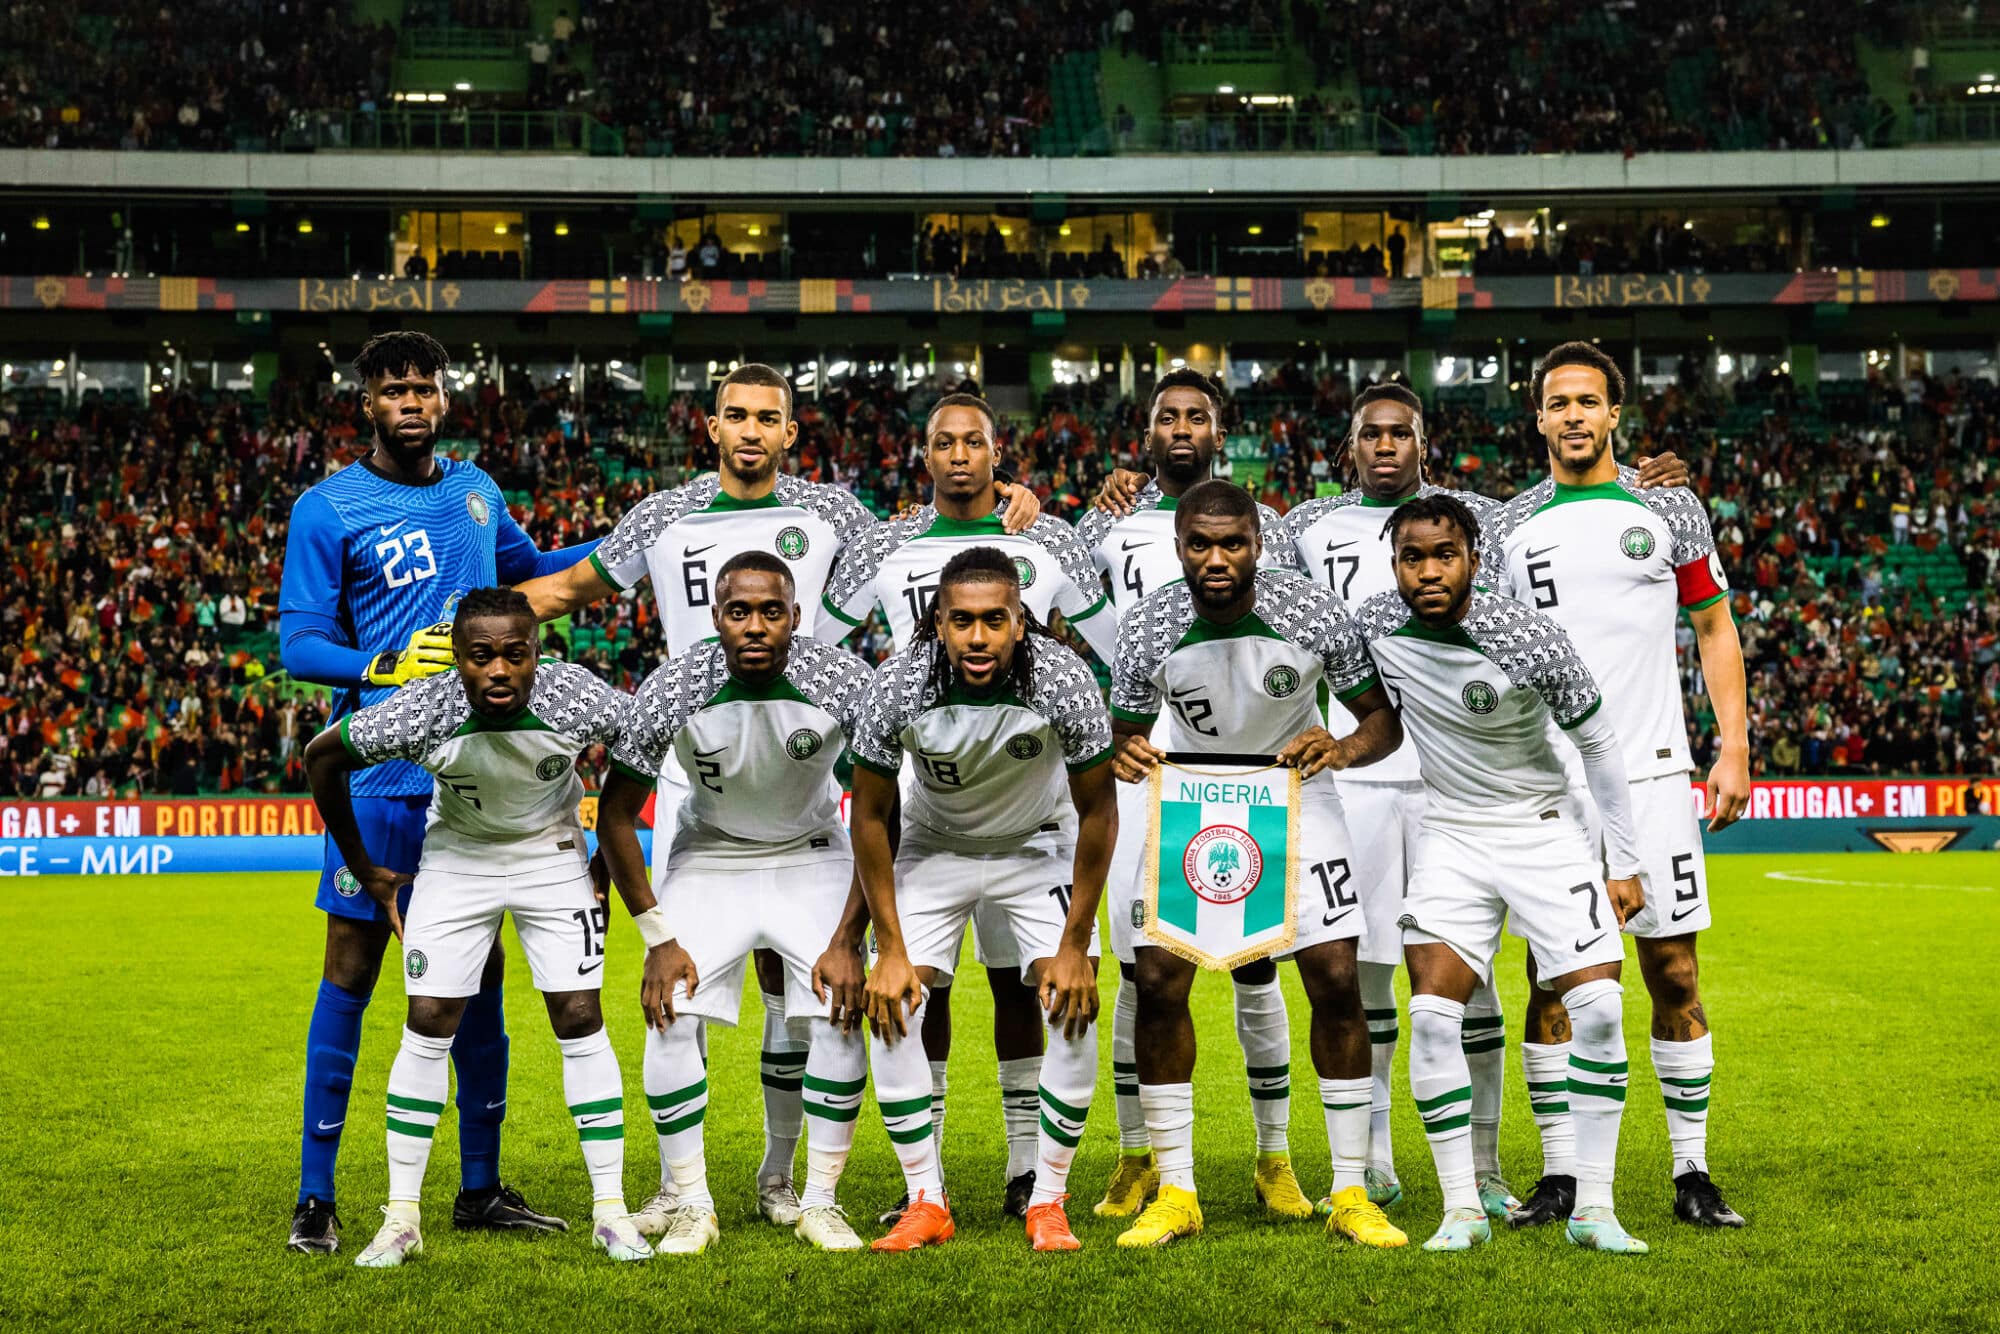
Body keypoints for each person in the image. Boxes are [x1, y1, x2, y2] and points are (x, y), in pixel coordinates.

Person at [516, 364, 1041, 1227]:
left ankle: (781, 1176)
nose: (751, 430)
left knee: (799, 989)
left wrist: (1005, 500)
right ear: (710, 427)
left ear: (791, 432)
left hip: (802, 765)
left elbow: (934, 548)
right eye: (736, 416)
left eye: (768, 417)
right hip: (700, 774)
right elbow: (568, 590)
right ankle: (688, 1187)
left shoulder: (834, 512)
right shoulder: (661, 515)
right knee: (690, 988)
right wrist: (470, 617)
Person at [1280, 384, 1686, 1216]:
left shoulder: (1486, 516)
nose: (1386, 445)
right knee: (1366, 979)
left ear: (1425, 443)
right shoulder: (1303, 525)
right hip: (1360, 781)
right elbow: (1236, 558)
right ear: (1347, 445)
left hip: (1453, 791)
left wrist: (1643, 487)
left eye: (1401, 432)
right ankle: (1374, 1165)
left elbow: (1568, 509)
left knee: (1473, 987)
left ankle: (1489, 1169)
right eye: (1370, 433)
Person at [279, 331, 598, 1255]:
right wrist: (383, 665)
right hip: (381, 781)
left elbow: (531, 580)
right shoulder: (328, 507)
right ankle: (316, 1196)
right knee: (350, 971)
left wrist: (636, 542)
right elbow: (299, 647)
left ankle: (480, 1186)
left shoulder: (477, 489)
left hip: (472, 779)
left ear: (446, 400)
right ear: (366, 403)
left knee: (483, 977)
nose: (411, 401)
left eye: (424, 387)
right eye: (393, 389)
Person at [821, 392, 1116, 1224]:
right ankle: (927, 1195)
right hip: (935, 841)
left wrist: (1075, 943)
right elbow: (871, 815)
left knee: (1059, 996)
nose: (979, 638)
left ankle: (1043, 1192)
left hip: (1035, 843)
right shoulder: (897, 682)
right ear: (935, 625)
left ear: (1022, 624)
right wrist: (877, 943)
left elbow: (1098, 812)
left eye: (996, 622)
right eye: (962, 624)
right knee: (904, 996)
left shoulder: (1064, 676)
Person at [1480, 341, 1750, 1230]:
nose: (1572, 416)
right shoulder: (1509, 526)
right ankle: (1559, 1176)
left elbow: (1714, 627)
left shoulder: (1668, 507)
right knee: (1550, 979)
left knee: (1673, 971)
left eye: (1587, 401)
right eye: (1556, 403)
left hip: (1654, 775)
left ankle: (1691, 1171)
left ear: (1614, 414)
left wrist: (1733, 747)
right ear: (1538, 418)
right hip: (1551, 787)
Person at [301, 588, 648, 1268]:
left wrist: (606, 855)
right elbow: (322, 756)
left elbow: (647, 736)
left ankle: (612, 1211)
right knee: (428, 1019)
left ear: (537, 655)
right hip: (458, 857)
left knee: (580, 1016)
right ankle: (401, 1218)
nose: (499, 671)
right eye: (481, 656)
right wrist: (368, 869)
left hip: (550, 852)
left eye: (515, 655)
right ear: (456, 660)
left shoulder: (575, 696)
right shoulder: (424, 707)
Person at [1106, 480, 1406, 1250]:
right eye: (1199, 545)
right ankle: (1177, 1190)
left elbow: (1383, 721)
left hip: (1298, 794)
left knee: (1337, 977)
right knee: (1160, 980)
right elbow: (1120, 732)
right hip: (1194, 802)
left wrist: (1340, 747)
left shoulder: (1311, 611)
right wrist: (1123, 749)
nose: (1216, 558)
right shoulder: (1148, 625)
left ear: (1257, 543)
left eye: (1231, 543)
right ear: (1177, 548)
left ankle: (1347, 1189)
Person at [1355, 494, 1649, 1254]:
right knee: (1430, 1017)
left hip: (1543, 829)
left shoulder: (1526, 636)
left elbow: (1601, 744)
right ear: (1394, 564)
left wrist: (1624, 860)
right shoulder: (1373, 624)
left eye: (1444, 554)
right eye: (1412, 557)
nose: (1427, 570)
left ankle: (1597, 1207)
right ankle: (1460, 1209)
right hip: (1451, 832)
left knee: (1604, 1010)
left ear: (1475, 560)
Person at [1074, 369, 1317, 1222]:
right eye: (1165, 416)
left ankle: (1275, 1158)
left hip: (1246, 763)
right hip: (1149, 764)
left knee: (1259, 966)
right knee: (1145, 973)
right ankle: (1140, 1156)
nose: (1181, 428)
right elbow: (1056, 601)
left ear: (1221, 429)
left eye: (1196, 416)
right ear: (1144, 430)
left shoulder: (1271, 529)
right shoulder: (1106, 521)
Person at [593, 552, 877, 1255]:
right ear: (716, 618)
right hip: (710, 854)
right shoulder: (675, 685)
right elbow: (615, 815)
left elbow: (879, 807)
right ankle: (689, 1201)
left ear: (796, 617)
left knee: (840, 1015)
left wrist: (850, 937)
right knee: (669, 1012)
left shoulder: (842, 680)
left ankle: (815, 1197)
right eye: (739, 612)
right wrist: (659, 938)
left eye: (771, 611)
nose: (755, 626)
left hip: (811, 851)